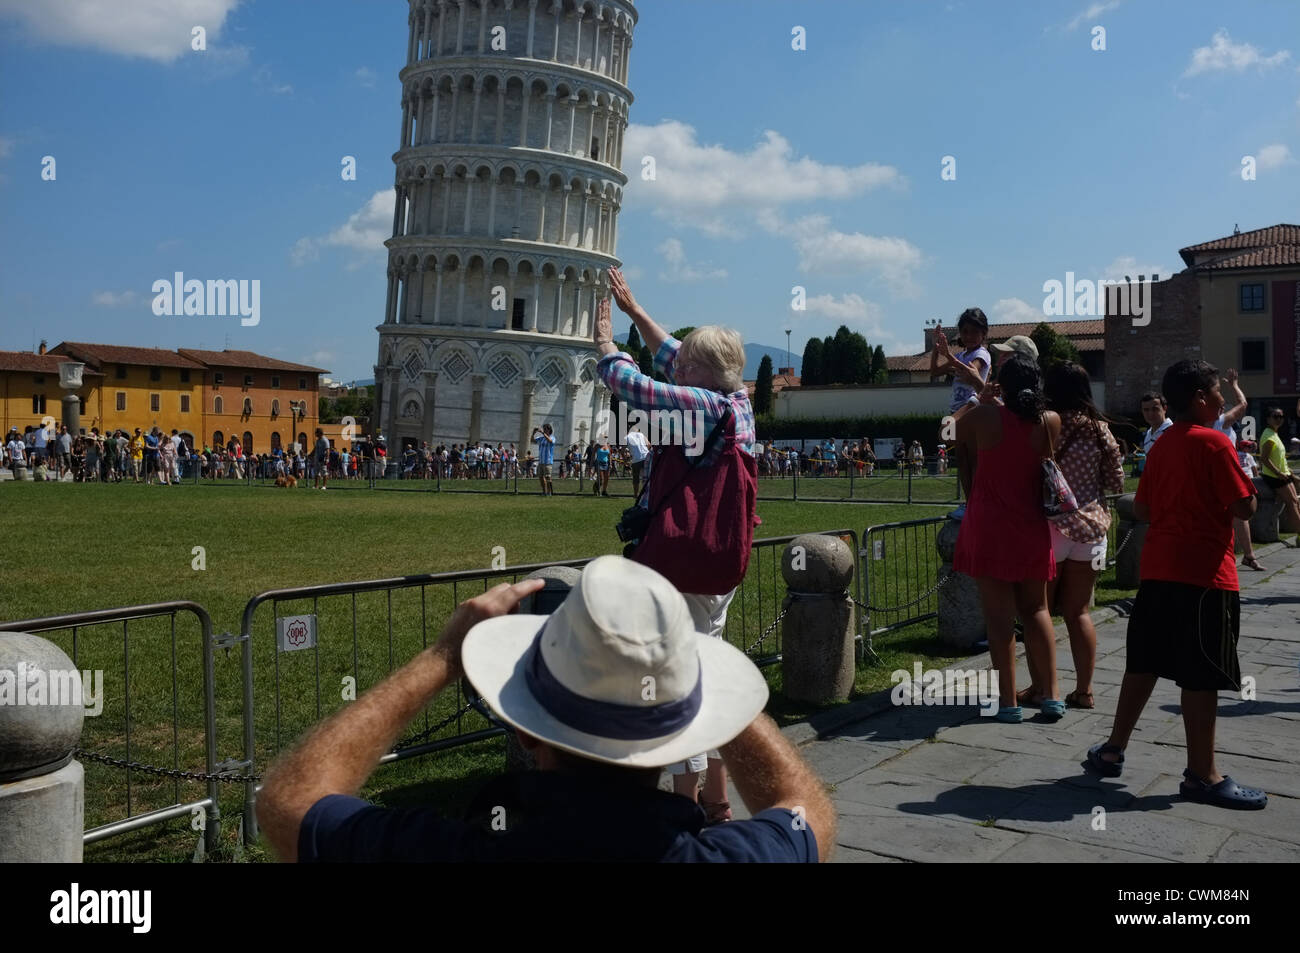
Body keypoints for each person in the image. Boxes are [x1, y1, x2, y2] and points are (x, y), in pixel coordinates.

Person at [257, 557, 832, 862]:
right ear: (684, 733)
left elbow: (289, 804)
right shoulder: (734, 858)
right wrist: (701, 681)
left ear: (523, 729)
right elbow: (808, 813)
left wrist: (443, 656)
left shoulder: (449, 850)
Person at [599, 267, 759, 822]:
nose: (677, 366)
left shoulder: (703, 407)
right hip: (721, 562)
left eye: (687, 364)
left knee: (680, 683)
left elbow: (634, 386)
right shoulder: (737, 403)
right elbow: (670, 357)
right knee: (708, 671)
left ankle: (686, 806)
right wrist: (635, 310)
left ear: (701, 374)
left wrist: (607, 348)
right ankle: (716, 801)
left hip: (685, 561)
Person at [1088, 360, 1266, 810]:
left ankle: (1113, 749)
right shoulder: (1215, 443)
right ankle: (1202, 776)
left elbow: (1143, 510)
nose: (1224, 400)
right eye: (1217, 393)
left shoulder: (1162, 445)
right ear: (1201, 398)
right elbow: (1244, 508)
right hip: (1205, 575)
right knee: (1201, 674)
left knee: (1143, 663)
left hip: (1158, 571)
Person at [952, 354, 1062, 723]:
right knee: (1038, 610)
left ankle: (1008, 702)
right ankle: (1052, 695)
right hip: (1032, 525)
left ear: (1003, 384)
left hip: (990, 526)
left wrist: (977, 400)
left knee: (999, 621)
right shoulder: (1050, 421)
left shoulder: (986, 416)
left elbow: (945, 433)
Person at [1017, 362, 1124, 711]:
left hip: (1051, 526)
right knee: (1079, 612)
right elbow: (1116, 483)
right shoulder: (1100, 429)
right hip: (1093, 528)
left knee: (1039, 610)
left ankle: (1041, 687)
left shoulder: (1046, 424)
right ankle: (1085, 690)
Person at [932, 308, 991, 519]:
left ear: (984, 333)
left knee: (975, 460)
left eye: (974, 332)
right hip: (956, 411)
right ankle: (969, 503)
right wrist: (937, 349)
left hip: (973, 408)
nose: (969, 336)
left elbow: (971, 371)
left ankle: (977, 503)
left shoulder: (981, 354)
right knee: (962, 460)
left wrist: (948, 355)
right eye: (965, 332)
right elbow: (935, 372)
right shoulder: (961, 354)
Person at [1259, 406, 1300, 541]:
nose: (1279, 419)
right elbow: (1264, 459)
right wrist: (1278, 473)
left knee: (1295, 501)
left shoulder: (1274, 434)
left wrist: (1292, 475)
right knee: (1292, 503)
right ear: (1268, 419)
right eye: (1275, 417)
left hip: (1283, 474)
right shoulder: (1268, 435)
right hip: (1274, 476)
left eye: (1281, 417)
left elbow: (1281, 459)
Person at [532, 423, 555, 496]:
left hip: (548, 462)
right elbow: (532, 441)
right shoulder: (541, 438)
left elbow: (550, 441)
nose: (544, 430)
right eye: (543, 429)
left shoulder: (552, 437)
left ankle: (549, 492)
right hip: (541, 461)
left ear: (549, 430)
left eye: (545, 429)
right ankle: (544, 492)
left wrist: (542, 433)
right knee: (541, 477)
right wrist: (533, 433)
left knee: (548, 477)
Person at [626, 427, 649, 498]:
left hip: (636, 460)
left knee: (636, 478)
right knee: (646, 477)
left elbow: (623, 450)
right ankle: (646, 494)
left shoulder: (627, 437)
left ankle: (636, 495)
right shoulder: (642, 435)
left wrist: (625, 460)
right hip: (645, 457)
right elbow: (649, 444)